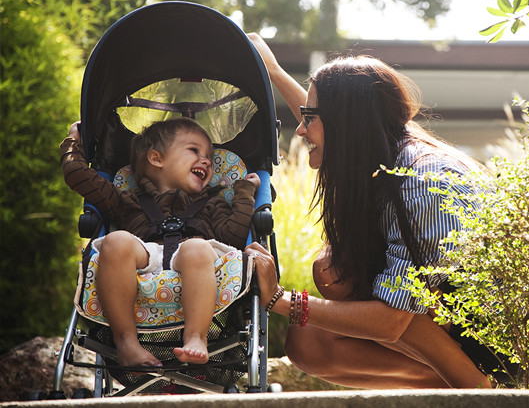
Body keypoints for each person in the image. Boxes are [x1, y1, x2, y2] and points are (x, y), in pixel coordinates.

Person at [245, 33, 498, 389]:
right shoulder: (383, 149)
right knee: (314, 329)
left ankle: (479, 389)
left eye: (308, 118)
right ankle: (440, 381)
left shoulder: (421, 183)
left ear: (347, 123)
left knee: (350, 279)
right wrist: (272, 71)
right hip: (455, 319)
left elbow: (391, 321)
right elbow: (326, 120)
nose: (300, 129)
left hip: (509, 335)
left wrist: (279, 299)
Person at [61, 118, 260, 367]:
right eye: (194, 150)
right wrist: (74, 141)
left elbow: (233, 238)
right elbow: (78, 175)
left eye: (209, 155)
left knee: (196, 247)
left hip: (195, 259)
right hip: (145, 255)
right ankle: (126, 341)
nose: (207, 160)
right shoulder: (128, 201)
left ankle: (196, 337)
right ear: (156, 159)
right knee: (115, 242)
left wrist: (244, 191)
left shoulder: (212, 202)